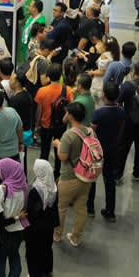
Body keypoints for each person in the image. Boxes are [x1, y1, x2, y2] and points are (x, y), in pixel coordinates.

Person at [53, 101, 92, 247]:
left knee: (61, 207)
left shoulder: (68, 135)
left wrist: (58, 144)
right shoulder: (90, 131)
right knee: (81, 208)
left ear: (70, 116)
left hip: (69, 176)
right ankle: (76, 237)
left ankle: (57, 234)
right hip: (85, 176)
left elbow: (63, 157)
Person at [89, 82, 129, 221]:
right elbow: (122, 128)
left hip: (97, 150)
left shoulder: (99, 113)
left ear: (104, 95)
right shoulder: (121, 111)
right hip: (113, 148)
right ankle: (110, 211)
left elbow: (91, 131)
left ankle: (90, 208)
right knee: (109, 179)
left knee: (92, 177)